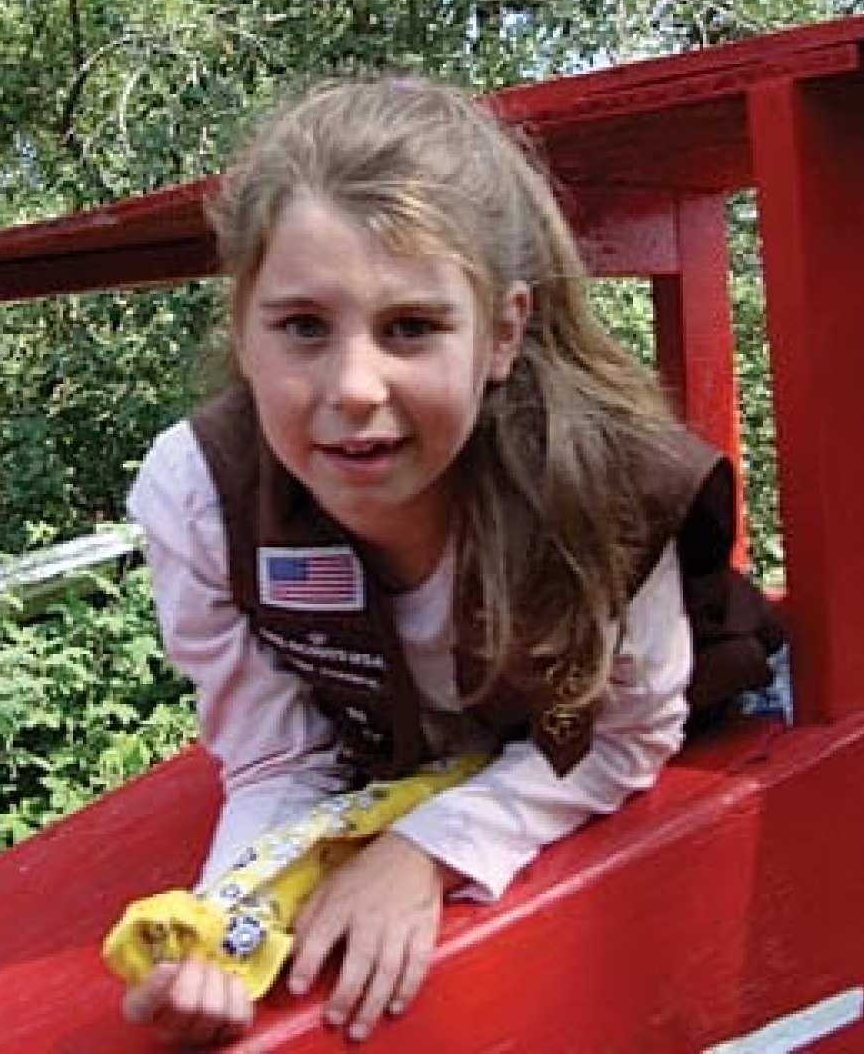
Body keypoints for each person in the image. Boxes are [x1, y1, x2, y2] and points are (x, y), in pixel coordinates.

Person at [120, 76, 780, 1046]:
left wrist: (426, 850)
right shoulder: (198, 496)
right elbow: (279, 757)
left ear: (502, 332)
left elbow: (630, 731)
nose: (353, 388)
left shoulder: (600, 481)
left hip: (702, 724)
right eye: (303, 325)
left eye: (411, 328)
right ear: (244, 331)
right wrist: (226, 933)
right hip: (420, 752)